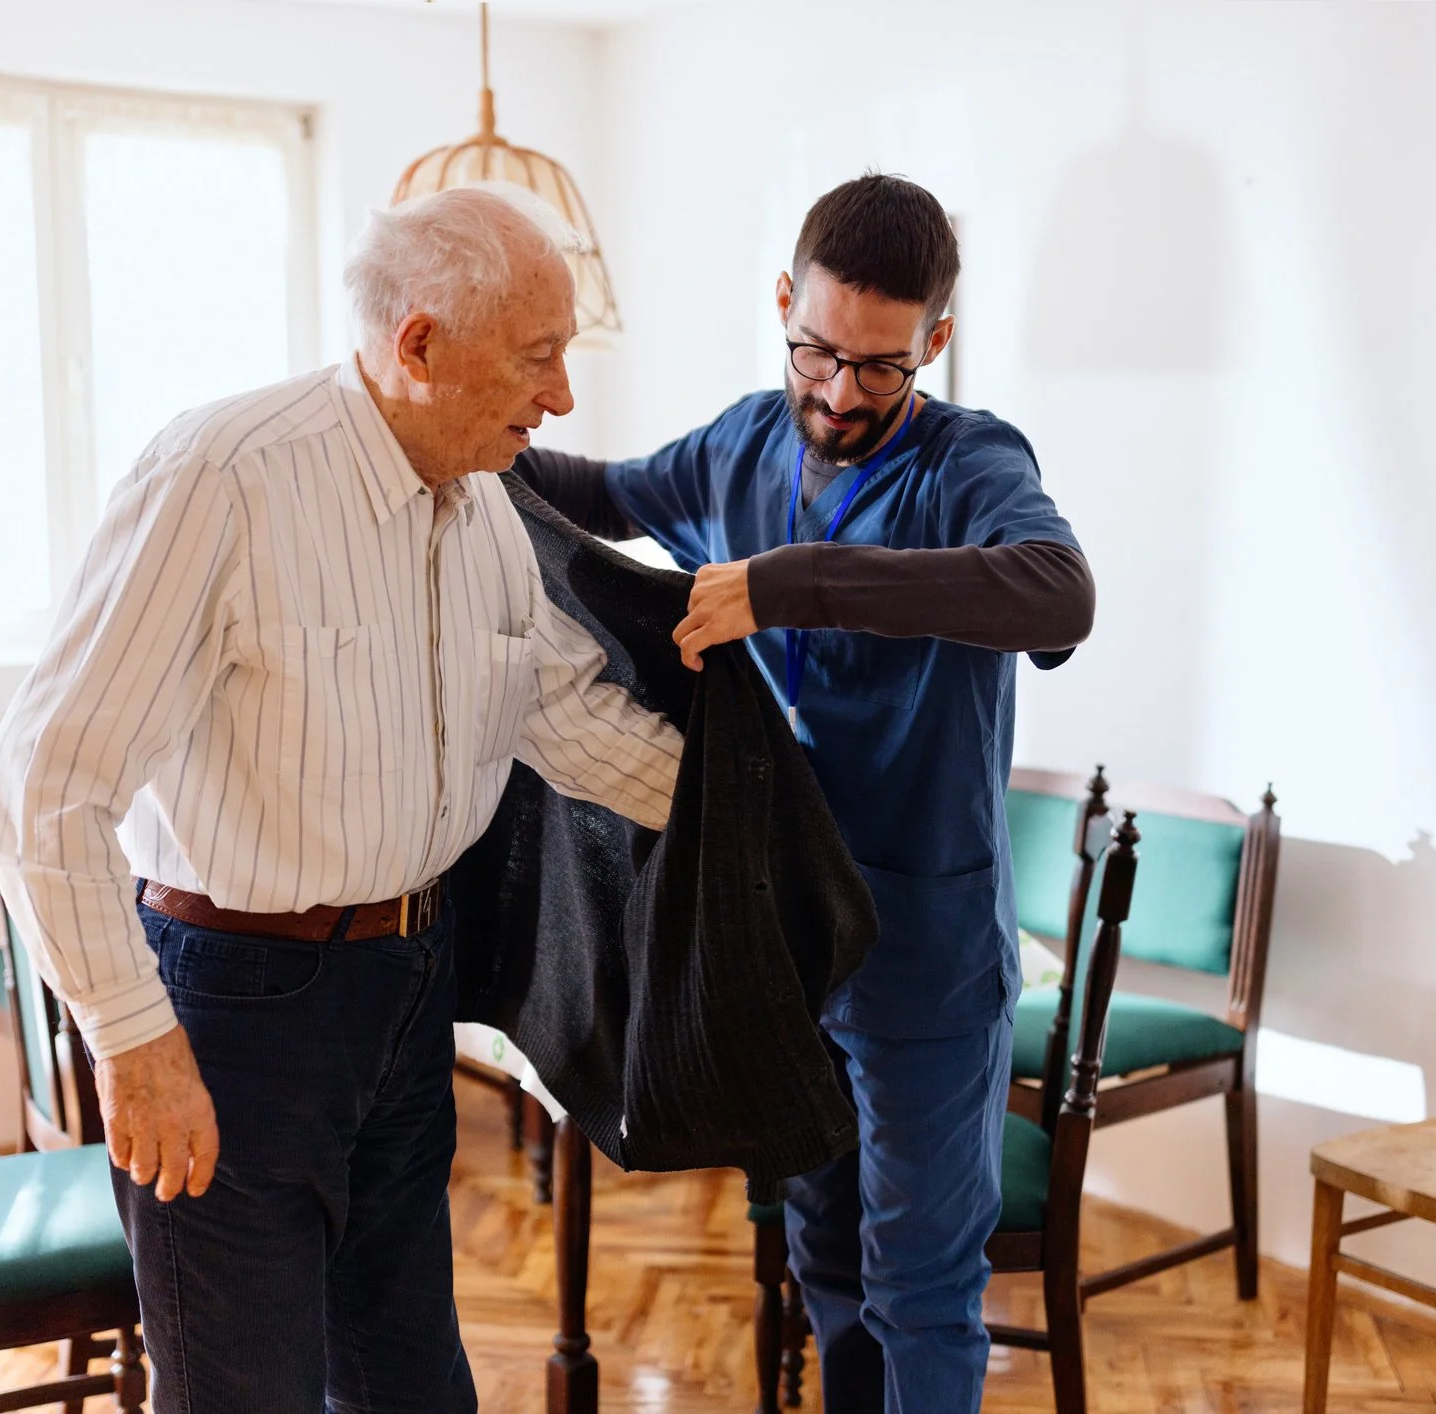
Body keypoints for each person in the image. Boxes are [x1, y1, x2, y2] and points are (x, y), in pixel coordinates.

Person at [0, 184, 683, 1414]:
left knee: (410, 1386)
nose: (561, 396)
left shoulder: (485, 514)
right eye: (536, 356)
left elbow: (561, 715)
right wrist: (133, 1040)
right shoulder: (223, 473)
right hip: (233, 1010)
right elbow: (44, 780)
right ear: (417, 344)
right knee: (241, 1392)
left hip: (406, 988)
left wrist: (750, 812)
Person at [515, 172, 1095, 1413]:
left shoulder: (970, 463)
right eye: (816, 350)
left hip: (923, 961)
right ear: (784, 301)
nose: (837, 393)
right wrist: (459, 436)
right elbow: (601, 494)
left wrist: (791, 583)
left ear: (935, 339)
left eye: (879, 367)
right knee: (826, 1261)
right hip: (785, 951)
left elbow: (1057, 595)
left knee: (921, 1287)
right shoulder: (738, 438)